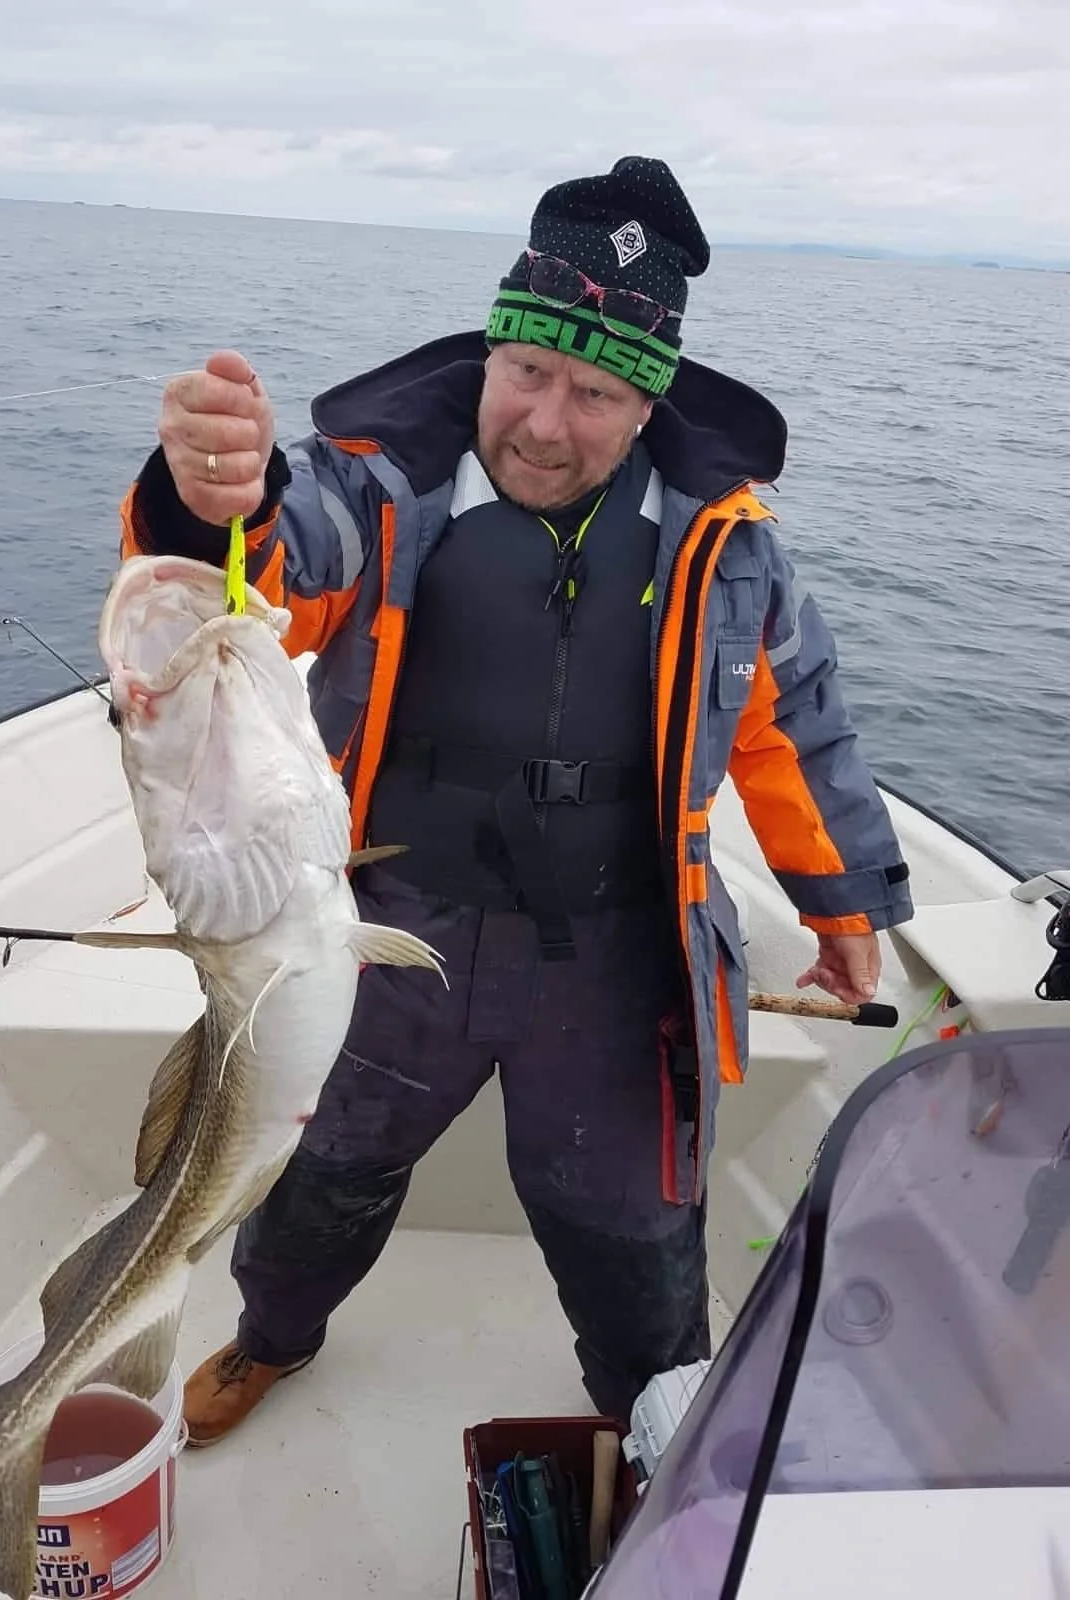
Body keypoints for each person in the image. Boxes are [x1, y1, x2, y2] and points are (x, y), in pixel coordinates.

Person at [118, 155, 914, 1444]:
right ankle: (273, 1335)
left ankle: (654, 1419)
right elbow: (260, 575)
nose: (547, 424)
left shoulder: (726, 545)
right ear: (490, 350)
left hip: (618, 951)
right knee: (324, 1168)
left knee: (634, 1226)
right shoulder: (381, 489)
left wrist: (843, 903)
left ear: (648, 404)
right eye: (527, 371)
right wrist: (210, 501)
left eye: (597, 394)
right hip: (386, 927)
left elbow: (790, 723)